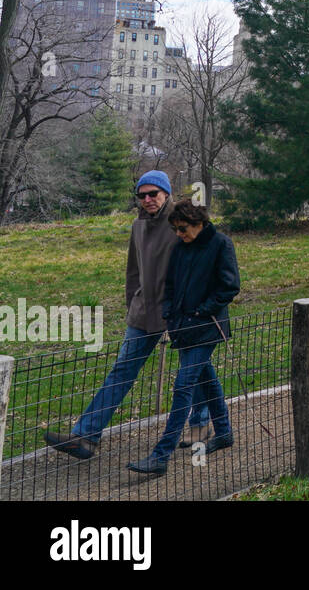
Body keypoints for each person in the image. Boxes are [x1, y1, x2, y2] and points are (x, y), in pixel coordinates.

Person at [44, 171, 212, 458]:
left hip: (182, 309)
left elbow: (205, 260)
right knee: (122, 370)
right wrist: (132, 303)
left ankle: (201, 424)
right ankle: (85, 436)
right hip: (144, 311)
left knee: (193, 368)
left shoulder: (182, 220)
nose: (147, 199)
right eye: (141, 195)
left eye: (153, 193)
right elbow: (133, 272)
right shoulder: (138, 227)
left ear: (166, 193)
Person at [127, 200, 239, 475]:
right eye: (176, 229)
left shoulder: (221, 244)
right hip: (181, 327)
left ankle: (160, 455)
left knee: (183, 386)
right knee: (207, 379)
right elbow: (171, 284)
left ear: (199, 223)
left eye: (183, 228)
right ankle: (223, 432)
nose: (179, 234)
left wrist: (203, 310)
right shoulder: (180, 247)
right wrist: (169, 313)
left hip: (207, 326)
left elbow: (230, 286)